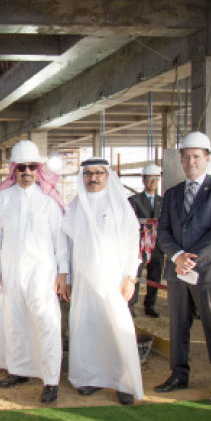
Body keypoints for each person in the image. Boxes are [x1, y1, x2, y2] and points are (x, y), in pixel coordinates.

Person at [155, 132, 211, 405]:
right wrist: (177, 256)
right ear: (181, 160)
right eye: (186, 157)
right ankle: (178, 375)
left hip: (208, 274)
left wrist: (193, 258)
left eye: (196, 157)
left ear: (207, 159)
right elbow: (163, 231)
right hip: (178, 272)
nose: (191, 162)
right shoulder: (172, 194)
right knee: (178, 326)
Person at [0, 140, 68, 403]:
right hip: (11, 272)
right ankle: (19, 370)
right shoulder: (2, 198)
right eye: (21, 167)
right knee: (15, 324)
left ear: (38, 169)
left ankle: (51, 380)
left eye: (31, 167)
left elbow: (60, 241)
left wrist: (62, 273)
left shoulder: (48, 201)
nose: (26, 172)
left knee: (47, 324)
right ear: (14, 169)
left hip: (42, 274)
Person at [62, 157, 143, 405]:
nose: (93, 178)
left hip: (113, 281)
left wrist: (131, 277)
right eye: (88, 174)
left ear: (107, 176)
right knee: (86, 329)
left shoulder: (120, 205)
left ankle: (124, 383)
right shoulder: (76, 205)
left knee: (117, 330)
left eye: (98, 173)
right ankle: (90, 378)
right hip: (84, 283)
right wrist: (67, 276)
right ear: (83, 177)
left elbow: (132, 243)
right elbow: (67, 244)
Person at [128, 163, 163, 318]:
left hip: (157, 246)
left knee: (155, 276)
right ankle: (131, 305)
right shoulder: (134, 201)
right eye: (150, 179)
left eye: (156, 179)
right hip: (139, 246)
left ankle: (150, 305)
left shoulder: (163, 202)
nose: (153, 183)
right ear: (143, 180)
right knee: (135, 274)